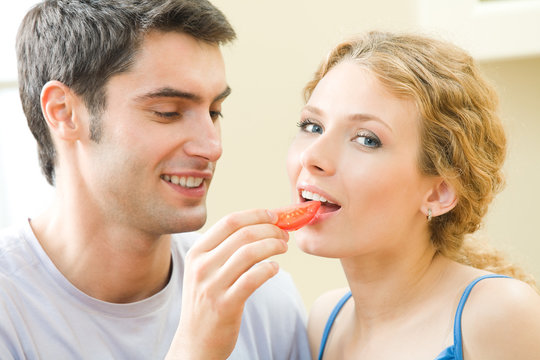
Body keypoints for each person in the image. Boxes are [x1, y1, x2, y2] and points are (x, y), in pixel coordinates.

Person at [0, 1, 310, 359]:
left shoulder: (259, 299)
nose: (212, 146)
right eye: (168, 112)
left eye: (214, 111)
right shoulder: (10, 311)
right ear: (64, 113)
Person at [286, 31, 540, 359]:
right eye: (312, 126)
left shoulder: (499, 313)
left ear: (440, 192)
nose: (312, 157)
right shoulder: (325, 323)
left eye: (366, 139)